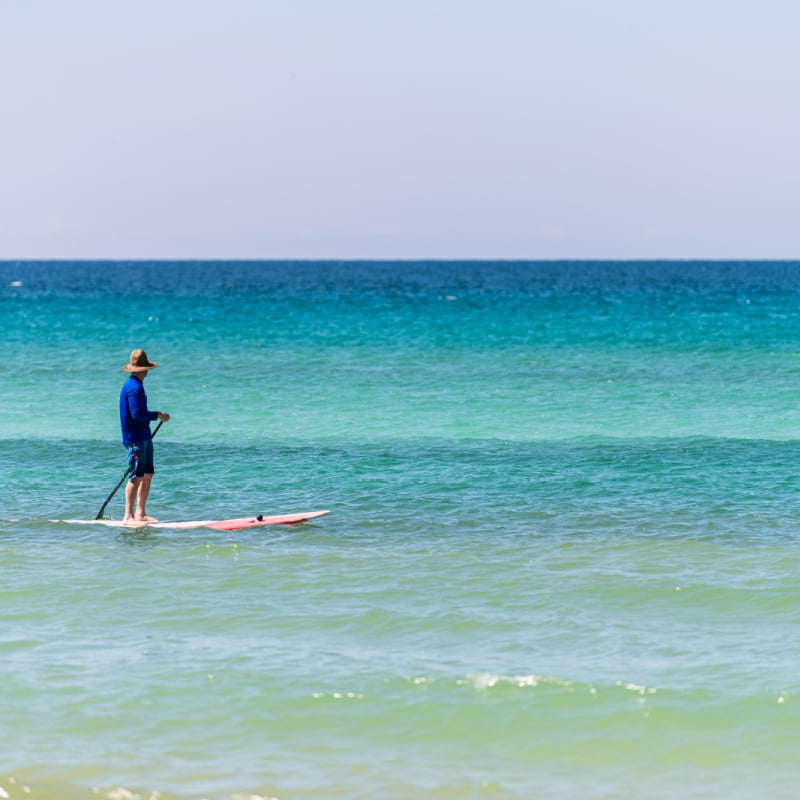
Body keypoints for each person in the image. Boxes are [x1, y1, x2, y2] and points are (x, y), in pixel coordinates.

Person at [119, 349, 170, 525]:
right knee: (136, 476)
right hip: (135, 438)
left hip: (144, 436)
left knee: (147, 474)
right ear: (145, 369)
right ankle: (128, 516)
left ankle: (140, 513)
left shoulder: (137, 385)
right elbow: (137, 414)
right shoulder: (133, 388)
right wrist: (158, 415)